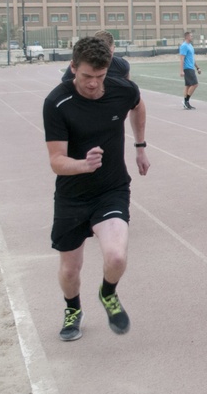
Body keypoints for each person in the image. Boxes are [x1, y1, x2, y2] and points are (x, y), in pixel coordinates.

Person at [42, 37, 150, 341]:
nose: (92, 84)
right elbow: (56, 161)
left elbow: (138, 106)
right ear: (73, 67)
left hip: (111, 188)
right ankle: (73, 309)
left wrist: (140, 146)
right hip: (72, 196)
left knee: (116, 256)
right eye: (86, 76)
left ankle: (108, 293)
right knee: (70, 270)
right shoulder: (57, 103)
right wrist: (82, 165)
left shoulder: (122, 90)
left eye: (99, 77)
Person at [61, 30, 130, 82]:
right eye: (100, 52)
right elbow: (64, 87)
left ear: (114, 48)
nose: (105, 57)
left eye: (109, 53)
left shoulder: (122, 66)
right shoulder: (80, 65)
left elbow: (128, 88)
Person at [179, 31, 200, 110]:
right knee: (195, 84)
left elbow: (192, 58)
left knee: (188, 86)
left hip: (191, 67)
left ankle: (185, 102)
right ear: (187, 37)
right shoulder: (184, 46)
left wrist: (197, 67)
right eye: (191, 36)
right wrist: (181, 70)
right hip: (187, 68)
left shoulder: (190, 46)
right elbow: (182, 59)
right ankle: (186, 101)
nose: (192, 37)